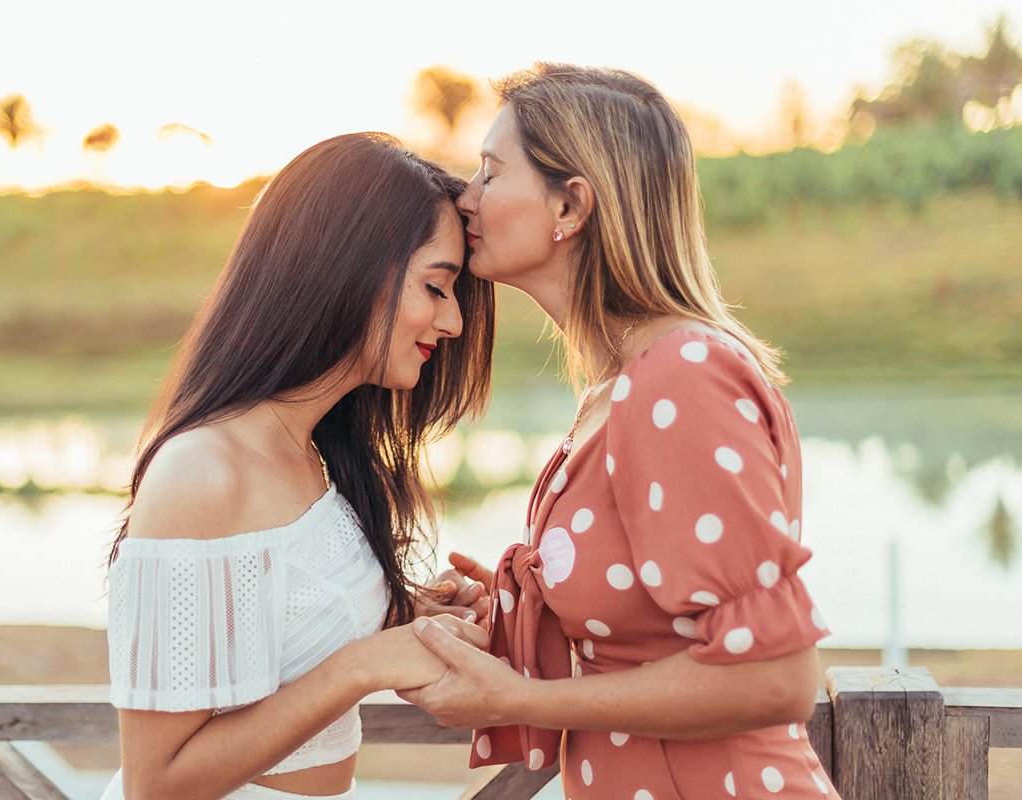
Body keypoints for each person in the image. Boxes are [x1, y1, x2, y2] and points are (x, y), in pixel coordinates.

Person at [402, 64, 840, 799]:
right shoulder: (621, 382)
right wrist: (522, 604)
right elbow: (645, 634)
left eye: (488, 171)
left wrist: (517, 701)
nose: (463, 195)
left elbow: (775, 677)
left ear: (570, 204)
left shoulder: (682, 375)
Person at [99, 132, 494, 800]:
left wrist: (407, 612)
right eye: (436, 287)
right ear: (350, 270)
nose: (452, 321)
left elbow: (281, 633)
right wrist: (363, 665)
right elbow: (156, 784)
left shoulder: (310, 453)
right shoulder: (203, 472)